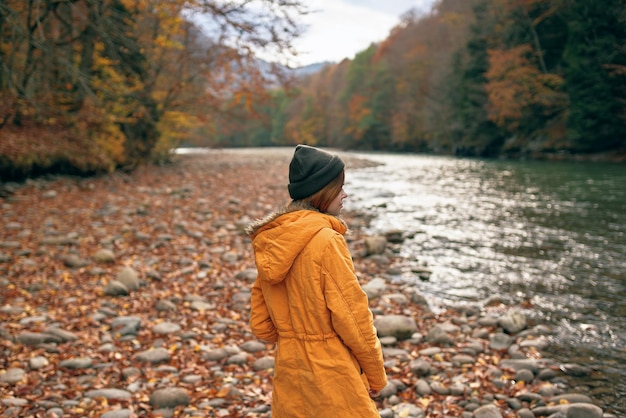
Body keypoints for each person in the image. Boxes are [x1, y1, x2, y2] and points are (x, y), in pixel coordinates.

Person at [246, 144, 387, 417]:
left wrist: (292, 335)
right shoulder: (326, 240)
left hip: (289, 369)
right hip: (331, 372)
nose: (345, 194)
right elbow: (353, 316)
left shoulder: (272, 240)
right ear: (322, 192)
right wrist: (376, 374)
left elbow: (262, 326)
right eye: (340, 187)